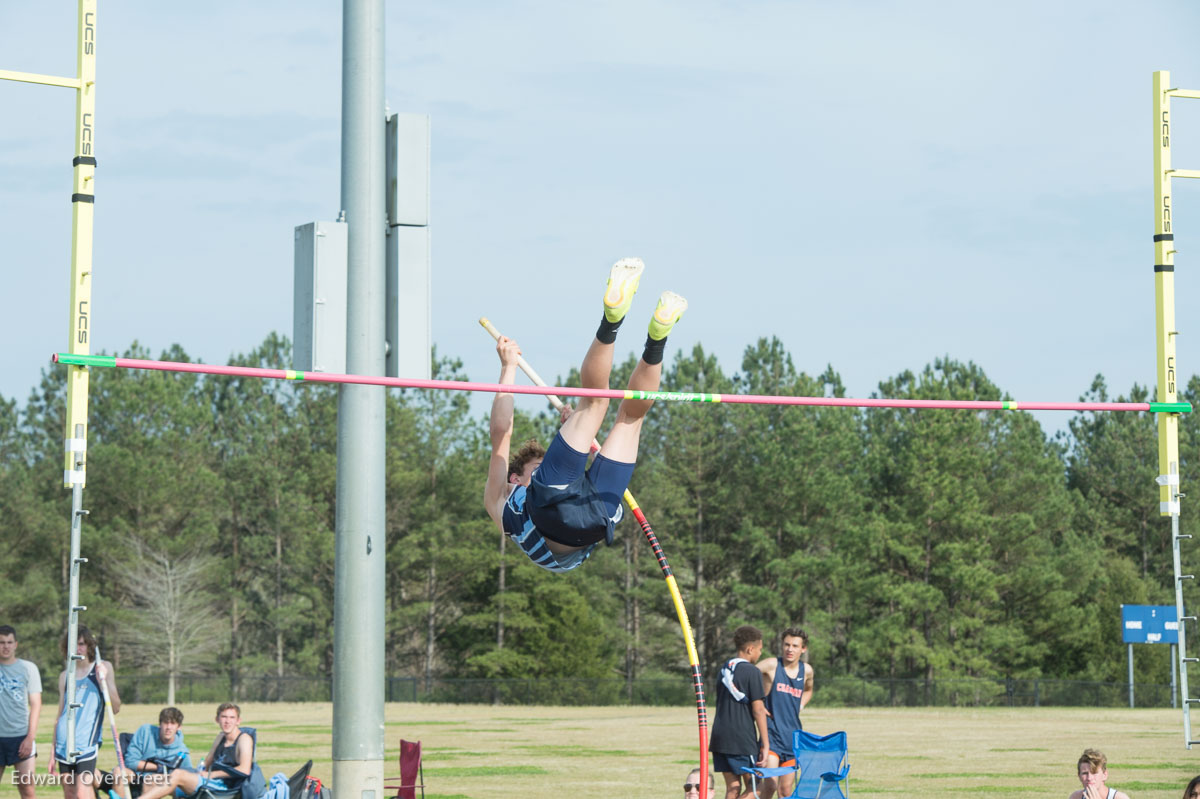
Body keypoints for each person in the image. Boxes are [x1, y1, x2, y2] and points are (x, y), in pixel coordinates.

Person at [484, 257, 688, 573]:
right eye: (539, 466)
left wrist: (576, 437)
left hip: (594, 516)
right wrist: (507, 367)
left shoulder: (504, 509)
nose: (545, 464)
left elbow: (502, 434)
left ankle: (654, 337)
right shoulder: (501, 498)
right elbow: (501, 434)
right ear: (515, 479)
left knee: (627, 417)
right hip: (574, 508)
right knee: (596, 403)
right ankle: (624, 325)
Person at [51, 626, 119, 799]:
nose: (77, 649)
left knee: (82, 792)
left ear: (89, 645)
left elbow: (116, 707)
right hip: (64, 743)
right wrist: (52, 752)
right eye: (73, 645)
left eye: (81, 644)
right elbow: (60, 716)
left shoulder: (103, 667)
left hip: (87, 743)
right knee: (70, 793)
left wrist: (103, 680)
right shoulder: (65, 676)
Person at [137, 703, 254, 799]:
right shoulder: (221, 737)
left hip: (224, 787)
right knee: (152, 779)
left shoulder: (244, 739)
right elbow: (206, 764)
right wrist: (199, 771)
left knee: (178, 775)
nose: (227, 721)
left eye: (232, 717)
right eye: (224, 717)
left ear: (238, 721)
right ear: (217, 719)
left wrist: (212, 774)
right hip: (209, 781)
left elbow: (244, 770)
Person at [709, 625, 768, 799]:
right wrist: (765, 743)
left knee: (733, 788)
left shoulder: (724, 669)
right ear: (750, 649)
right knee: (757, 788)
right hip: (741, 738)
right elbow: (758, 710)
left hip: (719, 737)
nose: (760, 654)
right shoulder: (752, 671)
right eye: (760, 650)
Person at [755, 627, 813, 799]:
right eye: (787, 644)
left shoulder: (807, 670)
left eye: (795, 646)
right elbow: (746, 675)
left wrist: (800, 705)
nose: (790, 649)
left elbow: (809, 690)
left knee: (785, 791)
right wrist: (756, 704)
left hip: (793, 738)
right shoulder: (772, 665)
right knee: (770, 785)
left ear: (803, 649)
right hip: (771, 736)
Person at [0, 625, 42, 799]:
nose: (6, 646)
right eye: (1, 642)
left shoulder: (28, 668)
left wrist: (30, 737)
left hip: (21, 737)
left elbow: (36, 704)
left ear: (16, 644)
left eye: (9, 642)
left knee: (27, 789)